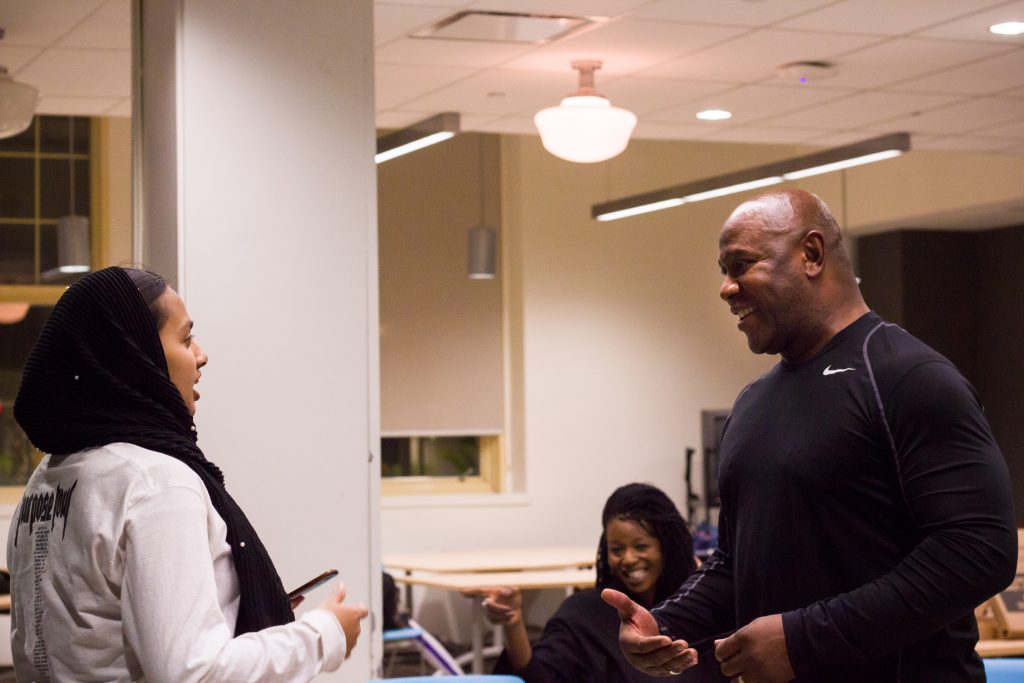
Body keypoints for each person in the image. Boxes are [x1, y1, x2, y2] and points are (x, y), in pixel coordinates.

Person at [603, 188, 1018, 682]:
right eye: (723, 271)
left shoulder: (906, 376)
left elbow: (978, 550)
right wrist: (665, 622)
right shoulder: (753, 404)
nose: (726, 288)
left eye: (741, 265)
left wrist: (804, 639)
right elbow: (737, 564)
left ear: (811, 254)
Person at [8, 266, 368, 682]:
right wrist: (323, 635)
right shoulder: (155, 483)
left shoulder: (47, 480)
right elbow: (193, 673)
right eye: (185, 338)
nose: (201, 354)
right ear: (134, 352)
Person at [475, 483, 724, 682]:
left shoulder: (698, 612)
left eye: (641, 546)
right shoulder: (584, 615)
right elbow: (537, 678)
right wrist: (513, 623)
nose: (627, 559)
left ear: (666, 547)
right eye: (616, 549)